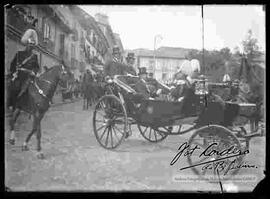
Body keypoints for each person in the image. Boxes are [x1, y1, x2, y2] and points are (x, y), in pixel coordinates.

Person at [9, 24, 40, 106]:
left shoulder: (34, 56)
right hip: (19, 76)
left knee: (34, 91)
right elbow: (12, 64)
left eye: (32, 46)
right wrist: (13, 73)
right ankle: (12, 105)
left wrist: (34, 72)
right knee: (13, 89)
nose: (31, 47)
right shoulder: (19, 54)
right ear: (26, 45)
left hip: (29, 77)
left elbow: (37, 67)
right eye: (29, 45)